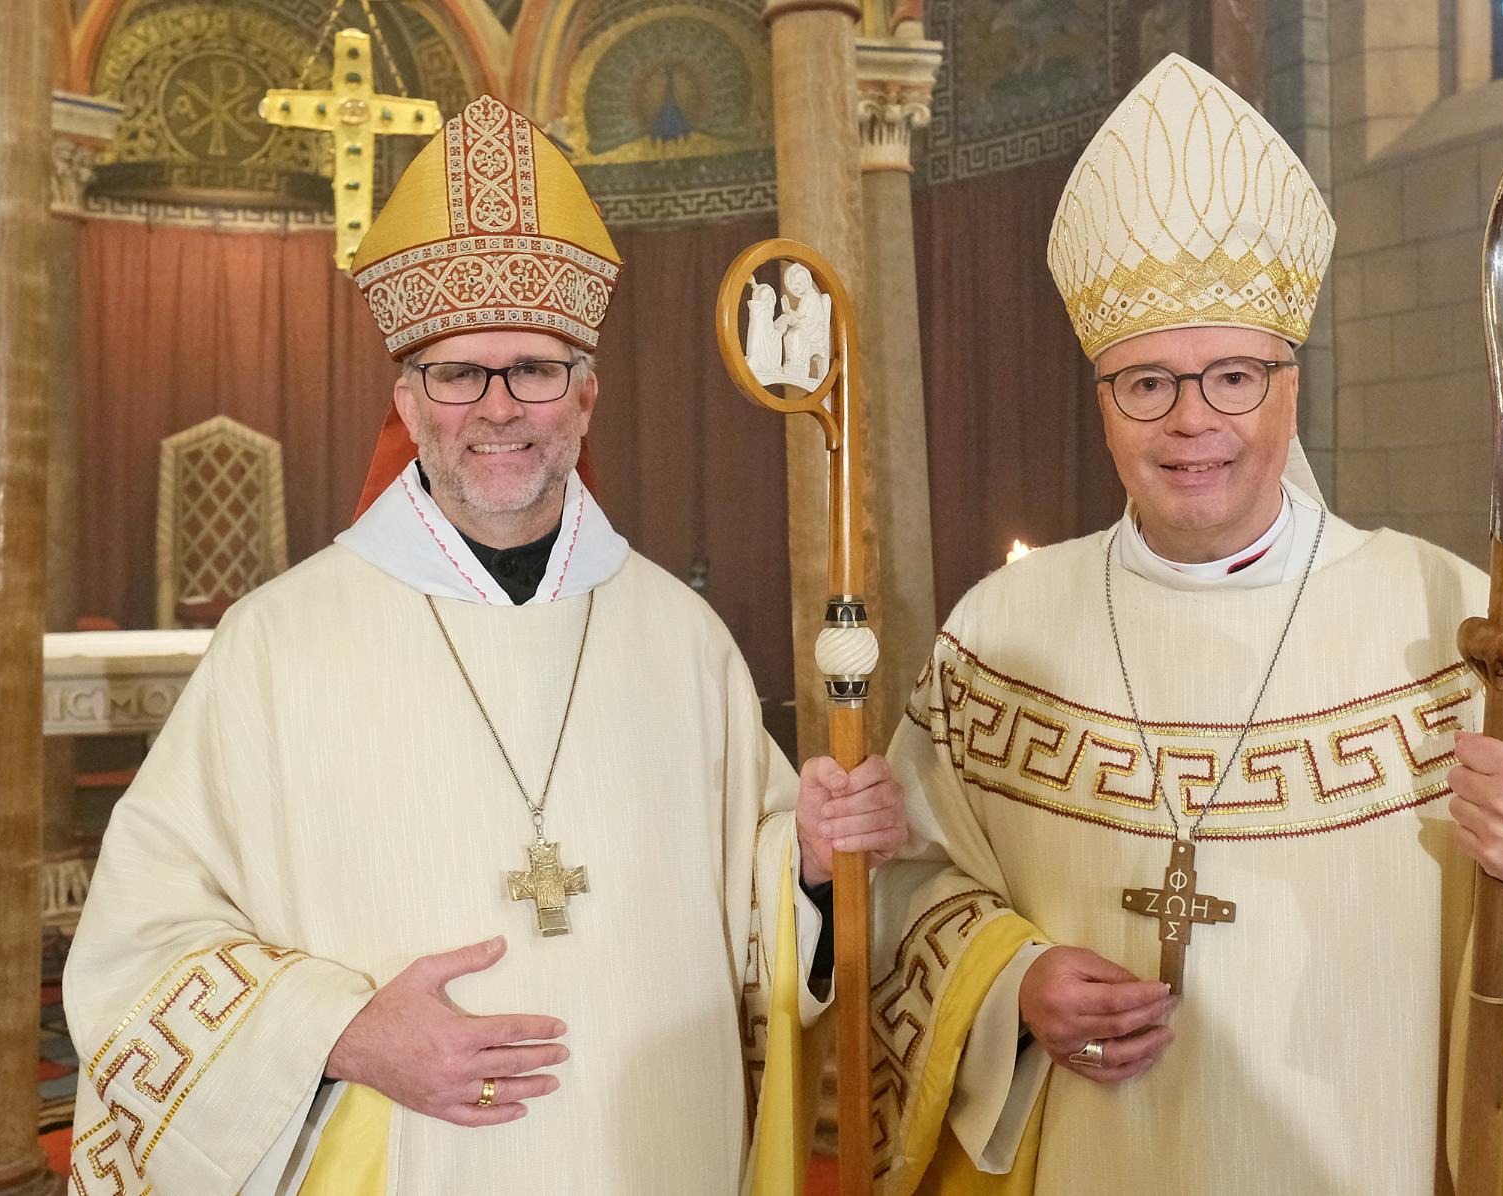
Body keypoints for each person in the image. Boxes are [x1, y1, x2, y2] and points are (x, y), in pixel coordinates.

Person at [870, 55, 1503, 1194]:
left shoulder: (1453, 625)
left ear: (1289, 385)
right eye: (1146, 383)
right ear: (1100, 400)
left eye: (1231, 375)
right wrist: (1007, 984)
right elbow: (902, 887)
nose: (1190, 422)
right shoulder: (998, 632)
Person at [63, 94, 906, 1195]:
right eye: (459, 373)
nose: (498, 407)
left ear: (586, 397)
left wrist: (802, 862)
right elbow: (138, 945)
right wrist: (342, 1030)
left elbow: (751, 929)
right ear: (407, 404)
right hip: (401, 1158)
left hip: (653, 1153)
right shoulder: (275, 646)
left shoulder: (681, 639)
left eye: (535, 369)